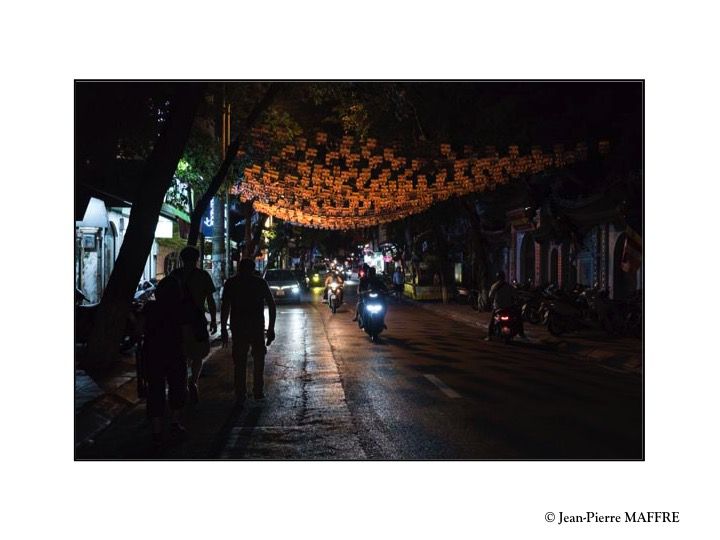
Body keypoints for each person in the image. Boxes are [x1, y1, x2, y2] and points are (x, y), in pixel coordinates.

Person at [221, 258, 277, 405]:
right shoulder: (259, 283)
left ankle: (241, 393)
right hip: (255, 327)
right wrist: (271, 328)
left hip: (239, 327)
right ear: (253, 269)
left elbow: (225, 307)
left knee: (240, 362)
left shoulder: (231, 283)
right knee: (258, 359)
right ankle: (257, 391)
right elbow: (271, 305)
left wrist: (223, 329)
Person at [142, 277, 187, 446]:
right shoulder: (180, 309)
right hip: (175, 352)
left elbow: (140, 328)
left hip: (153, 354)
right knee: (177, 387)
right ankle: (175, 423)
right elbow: (186, 331)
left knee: (155, 390)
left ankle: (156, 430)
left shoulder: (150, 307)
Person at [169, 246, 217, 404]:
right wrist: (215, 321)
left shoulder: (175, 275)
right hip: (197, 321)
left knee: (180, 355)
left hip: (177, 321)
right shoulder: (203, 276)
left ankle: (183, 384)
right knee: (198, 355)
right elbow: (210, 300)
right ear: (197, 259)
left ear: (182, 259)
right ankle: (193, 381)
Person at [486, 271, 527, 340]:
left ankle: (489, 335)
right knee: (518, 318)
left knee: (492, 320)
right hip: (508, 307)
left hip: (498, 308)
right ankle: (521, 333)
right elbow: (515, 296)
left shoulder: (494, 286)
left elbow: (490, 296)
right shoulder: (509, 286)